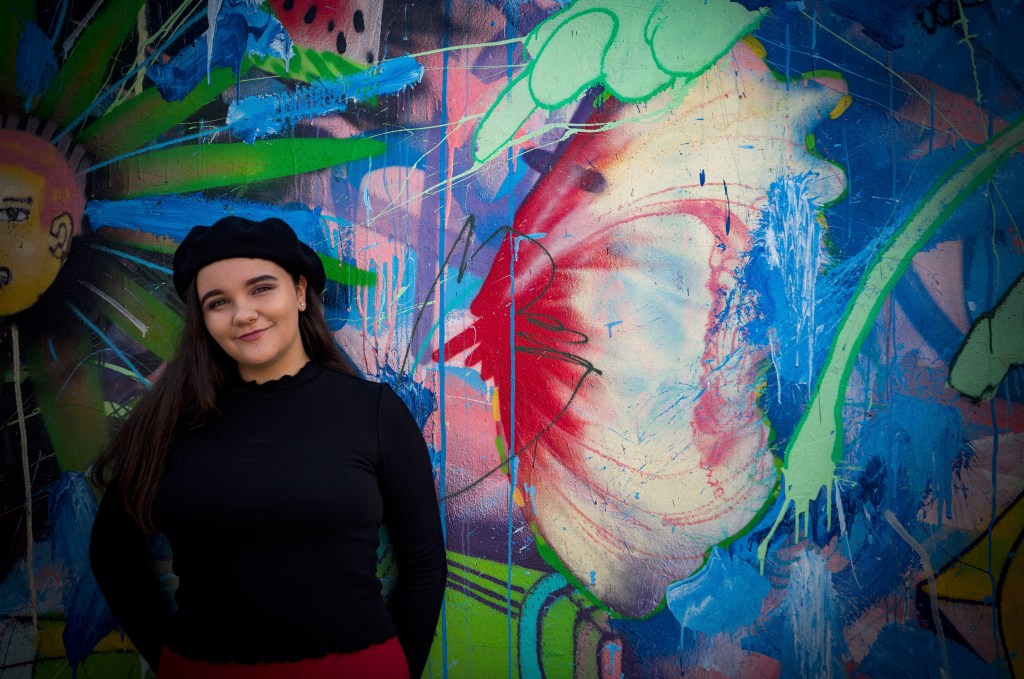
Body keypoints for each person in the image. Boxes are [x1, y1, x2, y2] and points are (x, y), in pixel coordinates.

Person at [89, 216, 447, 678]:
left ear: (299, 292)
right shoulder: (168, 422)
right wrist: (172, 662)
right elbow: (112, 554)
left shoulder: (374, 413)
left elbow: (424, 565)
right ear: (203, 320)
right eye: (219, 302)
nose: (243, 314)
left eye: (261, 289)